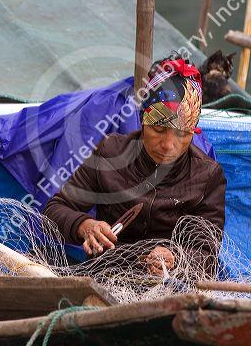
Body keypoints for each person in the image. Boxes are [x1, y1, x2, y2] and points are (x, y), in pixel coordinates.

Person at [43, 55, 226, 276]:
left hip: (169, 287)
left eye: (182, 133)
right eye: (158, 130)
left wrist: (176, 258)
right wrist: (86, 226)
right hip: (104, 277)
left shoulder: (207, 176)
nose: (169, 145)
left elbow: (207, 252)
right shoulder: (110, 152)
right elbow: (55, 208)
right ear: (142, 120)